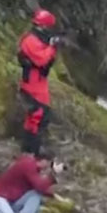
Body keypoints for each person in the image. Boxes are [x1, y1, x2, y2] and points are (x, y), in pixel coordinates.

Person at [18, 8, 61, 154]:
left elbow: (47, 60)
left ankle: (29, 148)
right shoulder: (30, 40)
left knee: (39, 115)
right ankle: (32, 149)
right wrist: (51, 47)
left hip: (39, 82)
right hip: (32, 83)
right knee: (38, 115)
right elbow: (41, 60)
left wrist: (52, 47)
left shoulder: (38, 39)